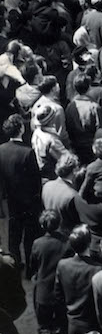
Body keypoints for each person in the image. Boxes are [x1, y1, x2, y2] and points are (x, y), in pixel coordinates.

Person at [0, 114, 42, 267]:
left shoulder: (1, 150)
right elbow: (36, 179)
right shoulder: (28, 152)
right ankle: (31, 268)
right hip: (28, 201)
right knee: (29, 235)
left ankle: (15, 264)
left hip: (10, 200)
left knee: (14, 234)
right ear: (20, 129)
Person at [55, 225, 102, 334]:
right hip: (92, 324)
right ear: (89, 243)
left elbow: (58, 295)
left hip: (72, 323)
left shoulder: (62, 265)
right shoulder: (97, 269)